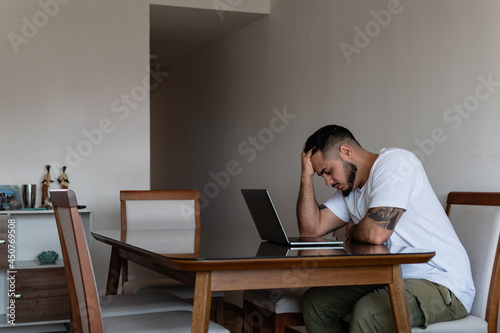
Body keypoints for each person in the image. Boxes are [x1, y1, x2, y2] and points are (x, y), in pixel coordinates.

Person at [297, 124, 475, 332]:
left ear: (346, 152)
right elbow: (310, 230)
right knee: (316, 304)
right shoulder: (350, 190)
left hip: (442, 283)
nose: (327, 181)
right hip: (391, 277)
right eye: (321, 176)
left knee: (368, 314)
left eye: (327, 172)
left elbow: (376, 233)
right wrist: (305, 177)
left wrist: (353, 231)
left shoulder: (396, 163)